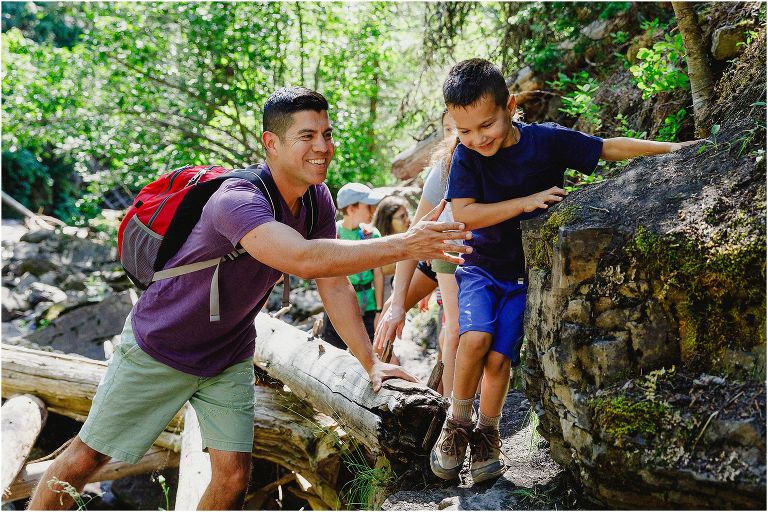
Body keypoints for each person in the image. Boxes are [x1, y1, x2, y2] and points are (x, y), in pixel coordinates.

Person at [28, 86, 472, 511]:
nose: (322, 147)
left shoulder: (316, 200)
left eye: (327, 134)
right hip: (160, 348)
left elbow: (332, 281)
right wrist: (408, 245)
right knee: (85, 460)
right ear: (271, 143)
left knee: (233, 477)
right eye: (306, 136)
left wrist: (369, 362)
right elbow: (301, 258)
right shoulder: (235, 200)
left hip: (227, 355)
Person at [430, 58, 700, 484]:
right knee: (476, 337)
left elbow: (605, 147)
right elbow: (464, 213)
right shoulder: (467, 157)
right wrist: (525, 202)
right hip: (480, 268)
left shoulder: (546, 142)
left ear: (510, 106)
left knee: (500, 359)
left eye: (486, 125)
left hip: (525, 276)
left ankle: (488, 434)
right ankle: (458, 421)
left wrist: (672, 150)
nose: (477, 138)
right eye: (464, 130)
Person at [375, 109, 465, 398]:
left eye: (459, 127)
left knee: (452, 331)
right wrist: (399, 302)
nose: (456, 136)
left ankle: (444, 396)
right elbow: (413, 238)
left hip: (464, 254)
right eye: (448, 130)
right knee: (393, 308)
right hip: (438, 254)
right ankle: (372, 367)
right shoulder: (442, 170)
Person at [320, 183, 385, 349]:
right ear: (351, 209)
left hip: (368, 306)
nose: (373, 210)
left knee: (373, 352)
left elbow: (378, 274)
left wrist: (379, 311)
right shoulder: (331, 234)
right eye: (368, 206)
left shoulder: (371, 234)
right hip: (338, 305)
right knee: (333, 353)